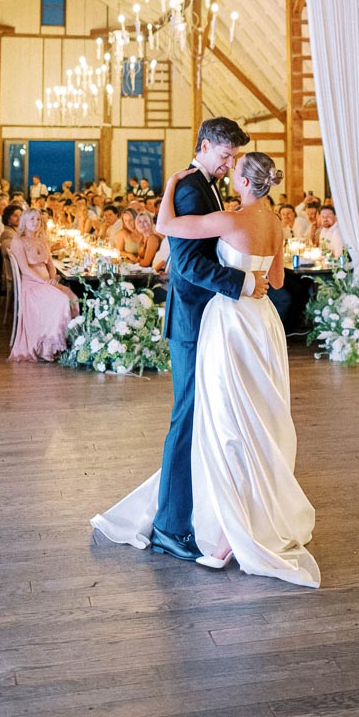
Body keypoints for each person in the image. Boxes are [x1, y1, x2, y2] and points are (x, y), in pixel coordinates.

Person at [92, 145, 319, 588]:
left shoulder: (232, 219)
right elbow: (274, 281)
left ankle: (228, 525)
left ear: (245, 183)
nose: (230, 176)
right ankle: (257, 516)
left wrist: (173, 183)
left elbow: (163, 227)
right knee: (260, 419)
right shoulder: (276, 222)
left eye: (236, 172)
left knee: (226, 420)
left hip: (230, 323)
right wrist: (250, 274)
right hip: (264, 324)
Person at [103, 118, 260, 562]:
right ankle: (171, 526)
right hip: (191, 320)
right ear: (205, 146)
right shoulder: (191, 187)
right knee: (186, 420)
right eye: (225, 155)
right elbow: (188, 265)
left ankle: (188, 513)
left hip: (203, 317)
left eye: (233, 158)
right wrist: (241, 282)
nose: (229, 164)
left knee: (198, 418)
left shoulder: (200, 184)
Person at [8, 209, 78, 362]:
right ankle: (48, 348)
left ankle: (70, 344)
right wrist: (44, 282)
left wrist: (52, 280)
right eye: (32, 219)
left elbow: (51, 265)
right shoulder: (18, 241)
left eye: (38, 219)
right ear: (24, 221)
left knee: (72, 297)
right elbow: (25, 269)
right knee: (61, 300)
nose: (35, 222)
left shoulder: (43, 240)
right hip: (32, 284)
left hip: (47, 282)